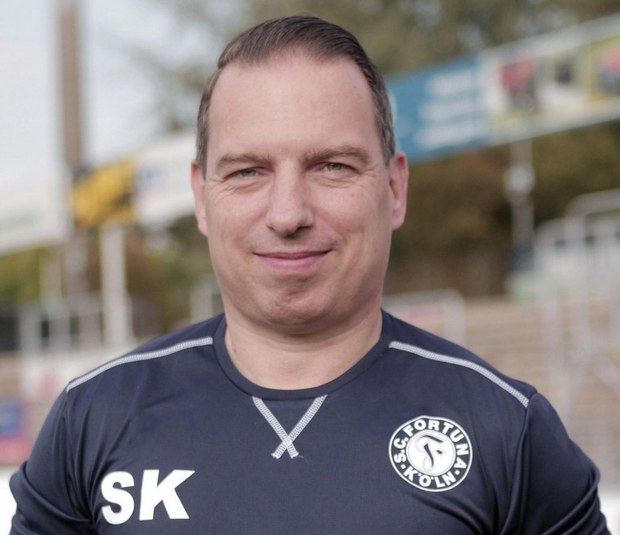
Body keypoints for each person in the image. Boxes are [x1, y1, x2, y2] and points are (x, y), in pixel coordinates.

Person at [10, 15, 609, 534]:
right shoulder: (93, 418)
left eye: (332, 166)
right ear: (201, 196)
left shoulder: (509, 430)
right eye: (247, 172)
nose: (288, 214)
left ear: (395, 188)